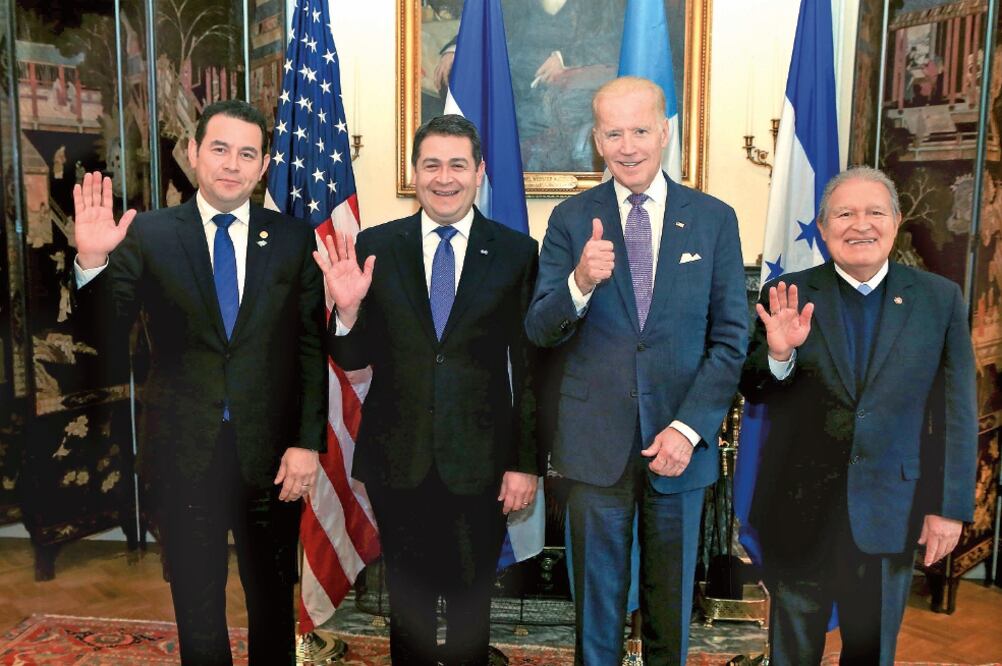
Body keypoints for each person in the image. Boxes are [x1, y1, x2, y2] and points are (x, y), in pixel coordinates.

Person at [72, 99, 326, 665]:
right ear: (192, 154)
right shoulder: (150, 235)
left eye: (246, 154)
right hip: (183, 453)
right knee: (197, 604)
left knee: (271, 605)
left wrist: (307, 442)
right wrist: (91, 261)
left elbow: (311, 347)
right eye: (219, 149)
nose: (231, 165)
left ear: (263, 167)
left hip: (274, 460)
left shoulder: (292, 239)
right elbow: (104, 337)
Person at [525, 76, 749, 665]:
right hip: (595, 445)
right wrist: (581, 282)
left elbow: (730, 339)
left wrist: (688, 428)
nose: (628, 146)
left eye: (641, 130)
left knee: (670, 604)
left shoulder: (713, 218)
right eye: (614, 133)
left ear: (665, 132)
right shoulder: (572, 219)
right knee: (596, 607)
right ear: (596, 139)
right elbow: (539, 330)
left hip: (681, 442)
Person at [314, 114, 539, 666]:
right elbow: (354, 357)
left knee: (470, 612)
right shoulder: (376, 246)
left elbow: (530, 369)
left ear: (479, 172)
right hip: (399, 459)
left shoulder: (515, 252)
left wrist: (526, 462)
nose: (445, 178)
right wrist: (345, 311)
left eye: (457, 165)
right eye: (431, 164)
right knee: (409, 610)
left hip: (482, 463)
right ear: (414, 172)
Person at [740, 166, 977, 665]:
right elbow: (755, 388)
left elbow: (955, 413)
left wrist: (949, 507)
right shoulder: (787, 294)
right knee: (792, 654)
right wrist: (780, 354)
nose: (860, 224)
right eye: (844, 213)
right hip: (797, 508)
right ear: (823, 229)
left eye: (874, 212)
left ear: (895, 222)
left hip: (891, 512)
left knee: (870, 653)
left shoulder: (939, 300)